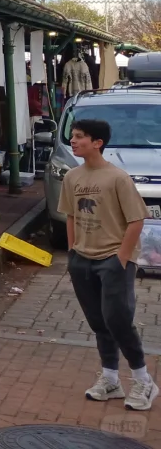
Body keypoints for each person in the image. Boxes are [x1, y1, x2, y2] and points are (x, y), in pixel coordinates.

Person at [61, 117, 156, 411]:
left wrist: (121, 258)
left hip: (113, 260)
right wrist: (72, 253)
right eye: (73, 136)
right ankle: (111, 379)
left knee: (118, 320)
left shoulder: (117, 178)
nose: (74, 141)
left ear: (98, 143)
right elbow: (71, 215)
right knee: (99, 322)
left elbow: (137, 220)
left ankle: (143, 380)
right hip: (82, 259)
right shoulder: (72, 177)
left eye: (80, 136)